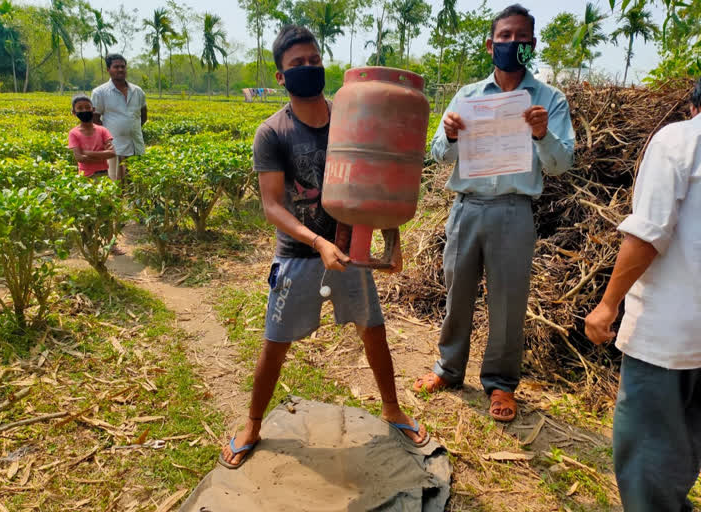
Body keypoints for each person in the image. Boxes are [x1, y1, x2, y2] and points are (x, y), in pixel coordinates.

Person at [219, 25, 428, 469]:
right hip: (297, 256)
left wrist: (392, 241)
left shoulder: (354, 119)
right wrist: (317, 242)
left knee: (374, 332)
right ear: (281, 77)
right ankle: (253, 423)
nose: (309, 69)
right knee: (275, 344)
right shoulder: (272, 132)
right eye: (298, 65)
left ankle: (392, 409)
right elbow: (273, 206)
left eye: (315, 61)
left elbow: (381, 183)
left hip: (350, 248)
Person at [413, 4, 575, 422]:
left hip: (513, 211)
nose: (513, 44)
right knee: (457, 294)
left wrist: (542, 133)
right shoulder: (467, 97)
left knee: (508, 302)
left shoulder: (549, 101)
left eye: (522, 38)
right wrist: (449, 135)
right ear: (490, 44)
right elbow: (437, 155)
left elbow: (561, 164)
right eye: (505, 37)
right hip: (466, 208)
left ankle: (501, 384)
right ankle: (448, 370)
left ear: (532, 46)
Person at [584, 79, 701, 512]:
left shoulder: (680, 140)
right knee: (685, 442)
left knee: (647, 457)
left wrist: (607, 304)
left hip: (667, 337)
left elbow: (649, 233)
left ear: (693, 103)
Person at [91, 54, 146, 255]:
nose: (120, 70)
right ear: (108, 70)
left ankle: (139, 217)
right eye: (116, 67)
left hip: (136, 145)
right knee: (116, 185)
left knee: (136, 182)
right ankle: (115, 222)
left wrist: (131, 130)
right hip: (115, 147)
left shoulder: (137, 91)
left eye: (123, 66)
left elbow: (143, 115)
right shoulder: (100, 92)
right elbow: (96, 119)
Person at [68, 95, 115, 178]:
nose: (84, 110)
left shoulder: (102, 130)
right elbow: (80, 158)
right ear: (74, 112)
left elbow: (112, 153)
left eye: (87, 107)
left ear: (93, 110)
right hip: (85, 176)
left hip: (104, 174)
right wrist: (103, 155)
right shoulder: (73, 133)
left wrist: (87, 153)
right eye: (80, 108)